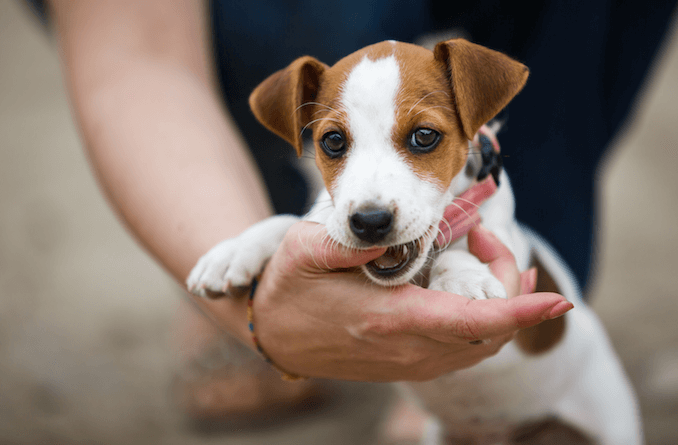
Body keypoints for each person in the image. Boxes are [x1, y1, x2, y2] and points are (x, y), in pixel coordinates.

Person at [38, 0, 672, 430]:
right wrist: (258, 258)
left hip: (572, 407)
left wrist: (456, 268)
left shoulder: (480, 153)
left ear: (476, 120)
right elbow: (136, 56)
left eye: (421, 138)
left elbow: (478, 244)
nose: (370, 199)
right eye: (335, 143)